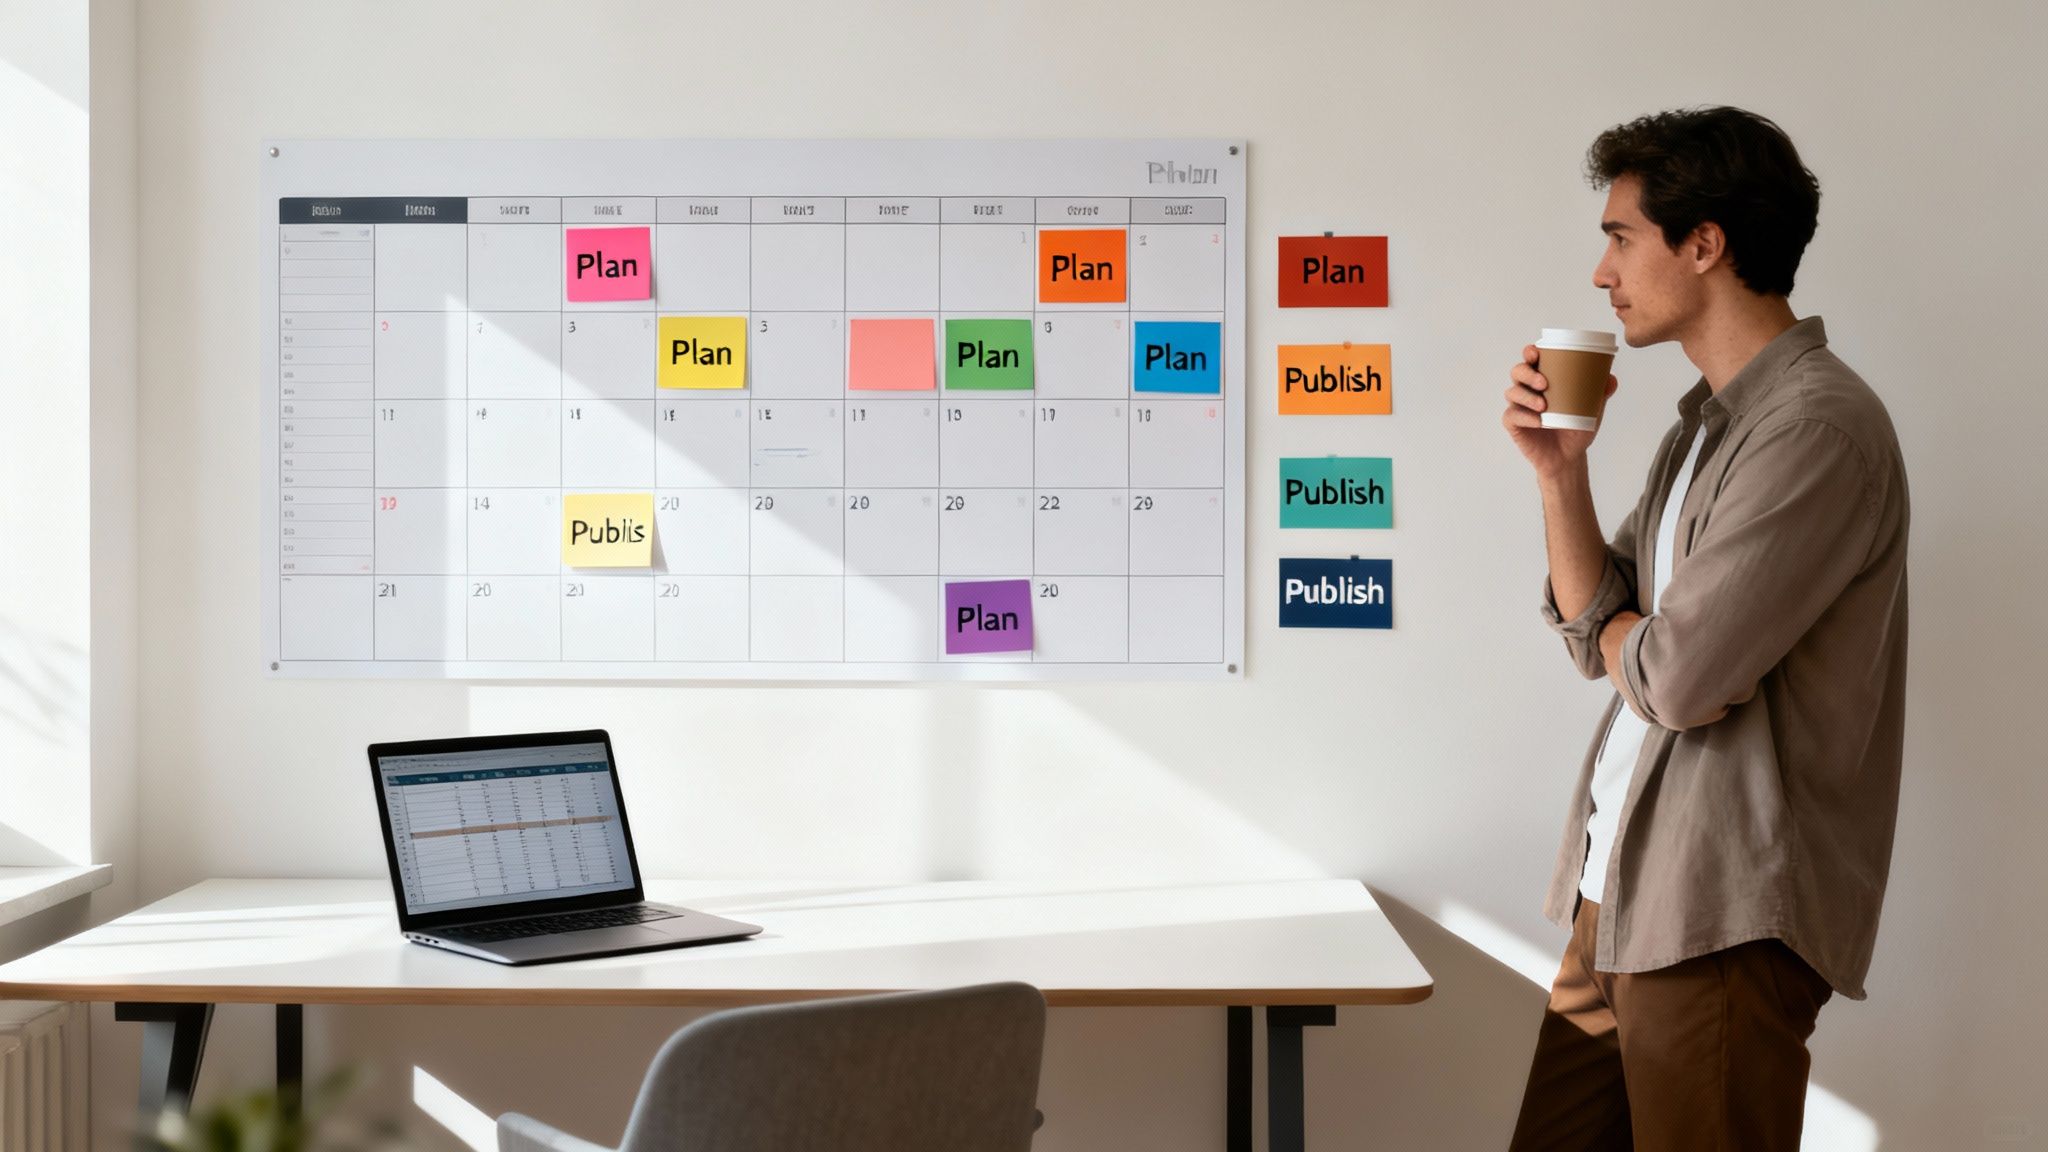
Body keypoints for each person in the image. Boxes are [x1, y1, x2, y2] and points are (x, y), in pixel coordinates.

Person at [1500, 107, 1911, 1151]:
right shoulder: (1703, 422)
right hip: (1625, 892)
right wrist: (1559, 471)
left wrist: (1625, 640)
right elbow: (1598, 624)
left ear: (1703, 243)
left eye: (1620, 236)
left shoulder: (1815, 428)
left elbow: (1673, 677)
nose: (1600, 272)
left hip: (1719, 912)